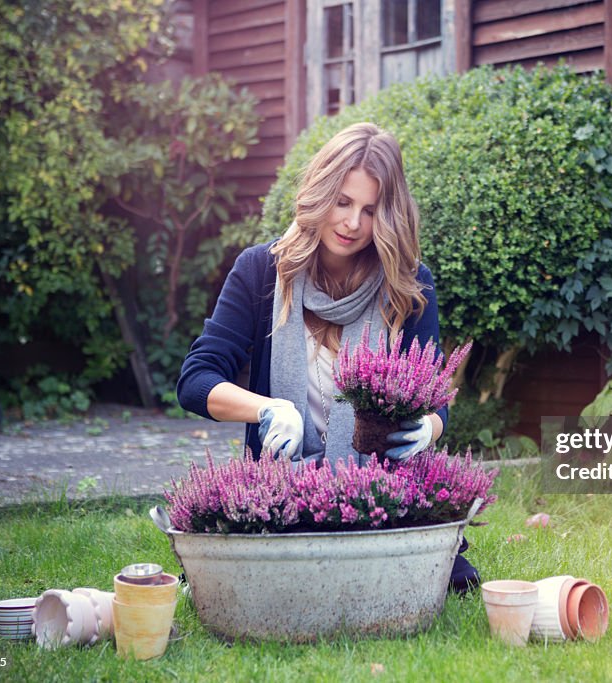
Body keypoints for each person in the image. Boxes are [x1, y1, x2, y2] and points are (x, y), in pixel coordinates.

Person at [177, 121, 479, 592]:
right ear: (320, 193)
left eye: (370, 210)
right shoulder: (260, 271)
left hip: (378, 495)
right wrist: (267, 408)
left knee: (448, 579)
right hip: (282, 493)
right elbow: (196, 380)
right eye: (342, 201)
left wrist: (427, 428)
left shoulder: (408, 284)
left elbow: (435, 402)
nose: (352, 223)